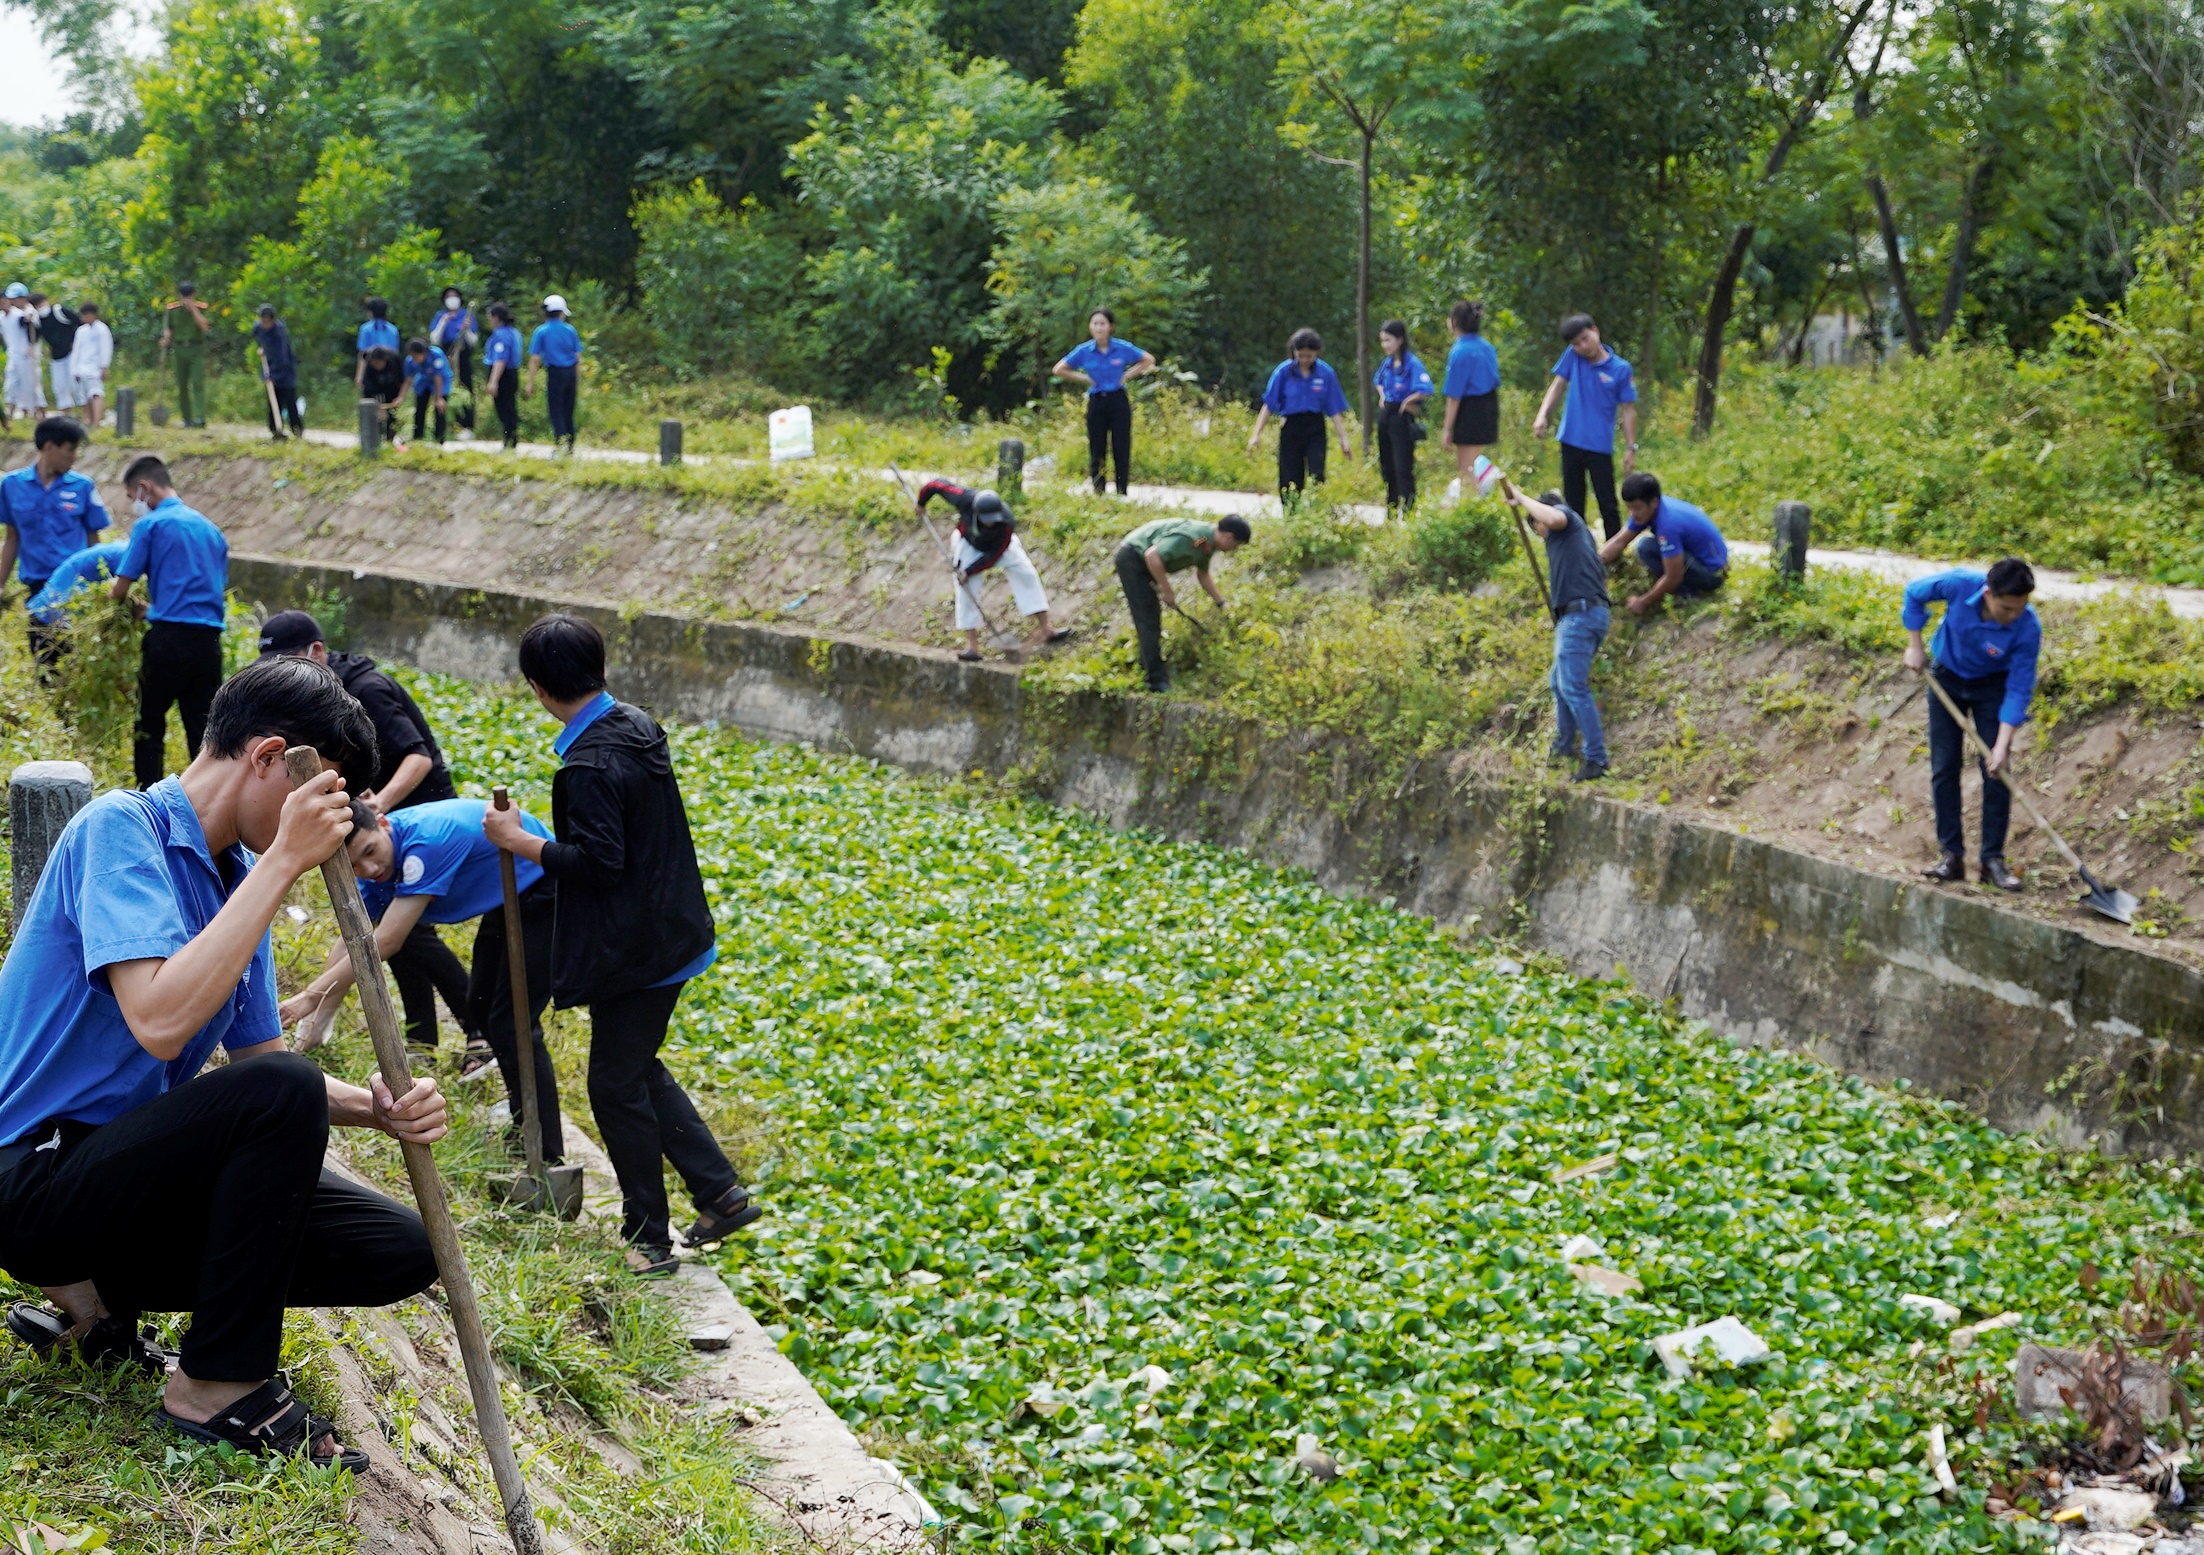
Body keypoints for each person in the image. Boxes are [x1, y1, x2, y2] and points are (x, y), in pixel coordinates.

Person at [0, 654, 442, 1470]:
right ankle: (215, 1382)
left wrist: (377, 1105)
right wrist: (283, 864)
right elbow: (162, 1020)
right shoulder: (118, 828)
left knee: (404, 1245)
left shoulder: (237, 876)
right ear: (269, 757)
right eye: (318, 796)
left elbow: (266, 1063)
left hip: (118, 1174)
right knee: (278, 1092)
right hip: (31, 1177)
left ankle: (100, 1299)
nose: (324, 826)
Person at [482, 614, 759, 1274]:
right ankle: (719, 1192)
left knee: (612, 1084)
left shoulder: (590, 764)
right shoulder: (634, 725)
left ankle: (648, 1238)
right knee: (633, 1066)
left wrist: (522, 842)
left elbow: (601, 863)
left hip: (640, 951)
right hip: (670, 930)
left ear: (537, 687)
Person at [282, 797, 560, 1163]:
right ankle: (521, 1118)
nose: (370, 868)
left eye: (369, 851)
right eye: (355, 866)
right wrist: (317, 1022)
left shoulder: (426, 844)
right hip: (505, 898)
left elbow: (386, 940)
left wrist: (310, 997)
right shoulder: (385, 854)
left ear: (382, 824)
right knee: (481, 1004)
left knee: (513, 1024)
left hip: (545, 890)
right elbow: (353, 938)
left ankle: (542, 1149)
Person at [258, 609, 469, 1058]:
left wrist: (380, 805)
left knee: (406, 934)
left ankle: (475, 1032)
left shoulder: (366, 690)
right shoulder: (317, 700)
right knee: (401, 937)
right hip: (374, 826)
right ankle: (424, 1040)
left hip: (410, 816)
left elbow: (419, 759)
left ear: (317, 652)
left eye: (291, 664)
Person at [1902, 559, 2042, 890]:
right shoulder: (1959, 584)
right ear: (1988, 593)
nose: (2014, 615)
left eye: (2020, 608)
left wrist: (2002, 744)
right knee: (1945, 766)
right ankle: (1951, 856)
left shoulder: (2028, 628)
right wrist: (1915, 644)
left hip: (1992, 687)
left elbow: (2019, 688)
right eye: (2007, 608)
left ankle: (1992, 860)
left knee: (1997, 771)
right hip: (1946, 678)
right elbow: (1913, 594)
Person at [108, 456, 228, 789]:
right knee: (204, 732)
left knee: (148, 725)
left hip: (167, 643)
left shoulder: (151, 525)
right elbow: (199, 593)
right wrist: (153, 609)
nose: (135, 504)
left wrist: (109, 602)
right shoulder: (211, 530)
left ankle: (148, 798)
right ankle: (208, 800)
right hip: (208, 645)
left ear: (144, 488)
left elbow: (119, 589)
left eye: (133, 496)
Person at [1500, 478, 1612, 782]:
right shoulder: (1579, 540)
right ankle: (1563, 747)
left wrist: (1519, 496)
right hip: (1583, 614)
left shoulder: (1565, 520)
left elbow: (1553, 517)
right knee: (1558, 683)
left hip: (1580, 615)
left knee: (1573, 686)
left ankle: (1596, 759)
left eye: (1537, 528)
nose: (1541, 534)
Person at [915, 479, 1072, 661]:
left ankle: (1047, 630)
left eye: (993, 519)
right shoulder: (964, 499)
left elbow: (994, 555)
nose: (990, 523)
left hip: (997, 549)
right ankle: (973, 648)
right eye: (986, 520)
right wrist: (921, 503)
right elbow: (936, 485)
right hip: (969, 543)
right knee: (965, 589)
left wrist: (971, 570)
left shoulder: (1006, 523)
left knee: (1027, 574)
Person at [2, 418, 110, 666]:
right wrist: (0, 584)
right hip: (38, 588)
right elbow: (12, 538)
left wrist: (105, 586)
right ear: (49, 447)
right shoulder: (12, 486)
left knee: (77, 658)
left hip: (76, 588)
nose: (75, 457)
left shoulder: (82, 487)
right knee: (44, 658)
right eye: (70, 449)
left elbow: (95, 542)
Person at [1113, 514, 1250, 693]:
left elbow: (1203, 575)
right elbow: (1152, 555)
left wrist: (1221, 603)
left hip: (1143, 561)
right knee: (1148, 619)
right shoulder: (1193, 537)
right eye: (1236, 545)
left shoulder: (1208, 543)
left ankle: (1148, 666)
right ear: (1228, 537)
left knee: (1150, 618)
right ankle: (1155, 681)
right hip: (1133, 558)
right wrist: (1166, 590)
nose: (1234, 549)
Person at [1532, 313, 1638, 539]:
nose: (1582, 346)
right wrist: (1543, 415)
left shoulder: (1620, 369)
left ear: (1596, 331)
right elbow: (1558, 384)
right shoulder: (1573, 357)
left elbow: (1628, 409)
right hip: (1570, 440)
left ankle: (1614, 557)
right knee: (1573, 503)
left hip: (1599, 445)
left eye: (1585, 339)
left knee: (1607, 502)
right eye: (1576, 343)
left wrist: (1631, 447)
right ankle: (1577, 551)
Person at [1053, 308, 1155, 496]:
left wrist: (1127, 375)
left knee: (1121, 446)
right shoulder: (1084, 351)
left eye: (1102, 324)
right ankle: (1098, 491)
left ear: (1111, 327)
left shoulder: (1121, 347)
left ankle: (1121, 491)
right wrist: (1084, 379)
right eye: (1095, 324)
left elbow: (1148, 359)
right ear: (1090, 327)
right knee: (1097, 447)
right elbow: (1059, 369)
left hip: (1118, 400)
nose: (1099, 328)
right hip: (1097, 400)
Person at [1597, 473, 1728, 613]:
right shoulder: (1652, 509)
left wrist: (1643, 601)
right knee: (1646, 546)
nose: (1632, 513)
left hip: (1713, 575)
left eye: (1636, 508)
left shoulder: (1668, 524)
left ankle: (1687, 594)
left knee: (1646, 548)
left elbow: (1673, 577)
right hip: (1700, 562)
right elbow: (1619, 541)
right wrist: (1591, 563)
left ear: (1653, 502)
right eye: (1629, 508)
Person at [1249, 329, 1352, 497]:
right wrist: (1256, 435)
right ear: (1293, 352)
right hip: (1291, 425)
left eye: (1309, 356)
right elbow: (1269, 404)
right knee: (1290, 475)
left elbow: (1334, 408)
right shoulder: (1283, 372)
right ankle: (1290, 513)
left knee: (1316, 473)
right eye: (1300, 355)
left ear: (1316, 353)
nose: (1304, 360)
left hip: (1315, 426)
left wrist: (1343, 439)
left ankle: (1314, 511)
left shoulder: (1326, 373)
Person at [23, 540, 126, 672]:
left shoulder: (124, 550)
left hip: (55, 617)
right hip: (52, 621)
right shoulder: (129, 556)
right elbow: (120, 592)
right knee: (59, 678)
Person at [1372, 319, 1435, 511]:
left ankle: (1408, 510)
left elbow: (1426, 388)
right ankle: (1391, 509)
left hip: (1402, 417)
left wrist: (1408, 401)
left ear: (1399, 340)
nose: (1385, 345)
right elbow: (1378, 380)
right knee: (1387, 465)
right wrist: (1382, 395)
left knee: (1403, 466)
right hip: (1386, 414)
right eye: (1382, 341)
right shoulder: (1388, 363)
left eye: (1388, 340)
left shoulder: (1412, 363)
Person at [1439, 299, 1501, 491]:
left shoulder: (1460, 351)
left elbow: (1454, 395)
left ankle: (1474, 509)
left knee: (1465, 468)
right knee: (1471, 464)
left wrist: (1447, 429)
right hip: (1489, 406)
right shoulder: (1486, 346)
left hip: (1470, 410)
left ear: (1454, 322)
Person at [525, 297, 581, 455]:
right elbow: (577, 357)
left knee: (556, 410)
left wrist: (530, 382)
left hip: (555, 373)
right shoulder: (570, 330)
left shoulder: (541, 331)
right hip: (570, 373)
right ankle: (570, 445)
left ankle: (560, 443)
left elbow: (535, 359)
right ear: (562, 312)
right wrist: (577, 379)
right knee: (568, 409)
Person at [160, 283, 211, 429]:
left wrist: (193, 309)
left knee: (198, 383)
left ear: (193, 295)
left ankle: (200, 417)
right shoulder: (173, 310)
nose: (186, 299)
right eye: (183, 296)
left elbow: (204, 327)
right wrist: (165, 339)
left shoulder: (201, 308)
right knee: (182, 385)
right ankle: (186, 418)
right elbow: (169, 329)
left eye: (188, 296)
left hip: (196, 348)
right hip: (179, 348)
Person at [428, 289, 476, 434]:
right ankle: (445, 427)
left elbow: (473, 341)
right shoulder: (440, 315)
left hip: (462, 354)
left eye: (454, 296)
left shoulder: (466, 316)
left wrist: (467, 329)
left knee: (466, 388)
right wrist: (443, 322)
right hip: (446, 355)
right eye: (448, 296)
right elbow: (434, 339)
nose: (452, 299)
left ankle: (466, 426)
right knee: (444, 388)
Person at [251, 305, 303, 440]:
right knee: (273, 401)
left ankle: (296, 429)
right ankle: (275, 430)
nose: (265, 324)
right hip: (269, 367)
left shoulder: (279, 334)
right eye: (263, 321)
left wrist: (274, 375)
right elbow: (256, 335)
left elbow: (283, 358)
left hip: (285, 372)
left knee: (289, 400)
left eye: (267, 321)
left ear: (273, 321)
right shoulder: (259, 328)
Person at [30, 295, 81, 416]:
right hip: (56, 356)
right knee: (59, 386)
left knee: (75, 382)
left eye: (41, 303)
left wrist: (75, 341)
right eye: (37, 305)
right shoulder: (38, 320)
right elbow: (34, 337)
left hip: (71, 353)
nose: (41, 307)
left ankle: (82, 412)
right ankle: (65, 412)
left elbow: (79, 322)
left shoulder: (59, 311)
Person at [482, 304, 524, 450]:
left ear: (496, 317)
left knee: (504, 410)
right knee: (510, 408)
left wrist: (493, 381)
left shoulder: (501, 334)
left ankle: (509, 441)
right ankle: (511, 440)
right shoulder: (514, 332)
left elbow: (500, 359)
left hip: (503, 374)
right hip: (512, 373)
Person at [2, 286, 45, 425]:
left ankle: (38, 412)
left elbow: (33, 330)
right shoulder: (2, 317)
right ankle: (10, 413)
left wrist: (32, 346)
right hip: (13, 354)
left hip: (26, 355)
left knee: (31, 383)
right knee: (11, 384)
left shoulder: (22, 314)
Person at [70, 303, 112, 429]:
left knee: (96, 394)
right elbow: (76, 351)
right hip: (81, 367)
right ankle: (87, 420)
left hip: (95, 367)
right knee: (83, 396)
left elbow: (106, 349)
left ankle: (96, 421)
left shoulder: (102, 329)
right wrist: (74, 369)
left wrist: (104, 367)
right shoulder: (81, 331)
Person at [404, 337, 452, 446]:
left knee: (439, 409)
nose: (414, 359)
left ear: (424, 352)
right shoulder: (409, 360)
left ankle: (439, 440)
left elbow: (438, 376)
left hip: (441, 381)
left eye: (416, 356)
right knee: (420, 409)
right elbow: (408, 379)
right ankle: (417, 438)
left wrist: (439, 398)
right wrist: (401, 397)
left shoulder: (436, 355)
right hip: (424, 380)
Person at [360, 346, 406, 445]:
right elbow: (366, 390)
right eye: (374, 363)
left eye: (378, 363)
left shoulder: (394, 360)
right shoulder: (369, 365)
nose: (376, 365)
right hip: (375, 386)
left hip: (392, 386)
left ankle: (390, 439)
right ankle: (373, 438)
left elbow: (403, 381)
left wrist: (400, 397)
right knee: (371, 411)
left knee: (392, 415)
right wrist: (375, 406)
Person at [355, 297, 399, 392]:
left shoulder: (366, 329)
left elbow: (363, 353)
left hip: (371, 368)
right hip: (390, 367)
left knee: (370, 397)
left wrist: (359, 375)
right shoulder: (393, 329)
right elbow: (395, 352)